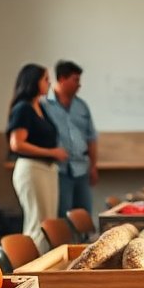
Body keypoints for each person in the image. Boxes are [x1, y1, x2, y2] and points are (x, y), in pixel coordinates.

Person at [7, 63, 68, 249]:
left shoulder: (40, 107)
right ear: (33, 81)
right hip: (32, 168)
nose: (49, 83)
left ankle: (46, 265)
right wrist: (52, 152)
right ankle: (33, 269)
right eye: (45, 79)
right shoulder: (23, 108)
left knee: (48, 222)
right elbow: (17, 143)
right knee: (38, 223)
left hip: (47, 169)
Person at [42, 60, 99, 219]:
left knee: (84, 214)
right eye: (75, 80)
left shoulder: (82, 106)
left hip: (82, 167)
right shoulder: (44, 105)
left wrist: (93, 166)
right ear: (61, 79)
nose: (79, 85)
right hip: (58, 169)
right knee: (63, 214)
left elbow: (91, 138)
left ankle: (84, 243)